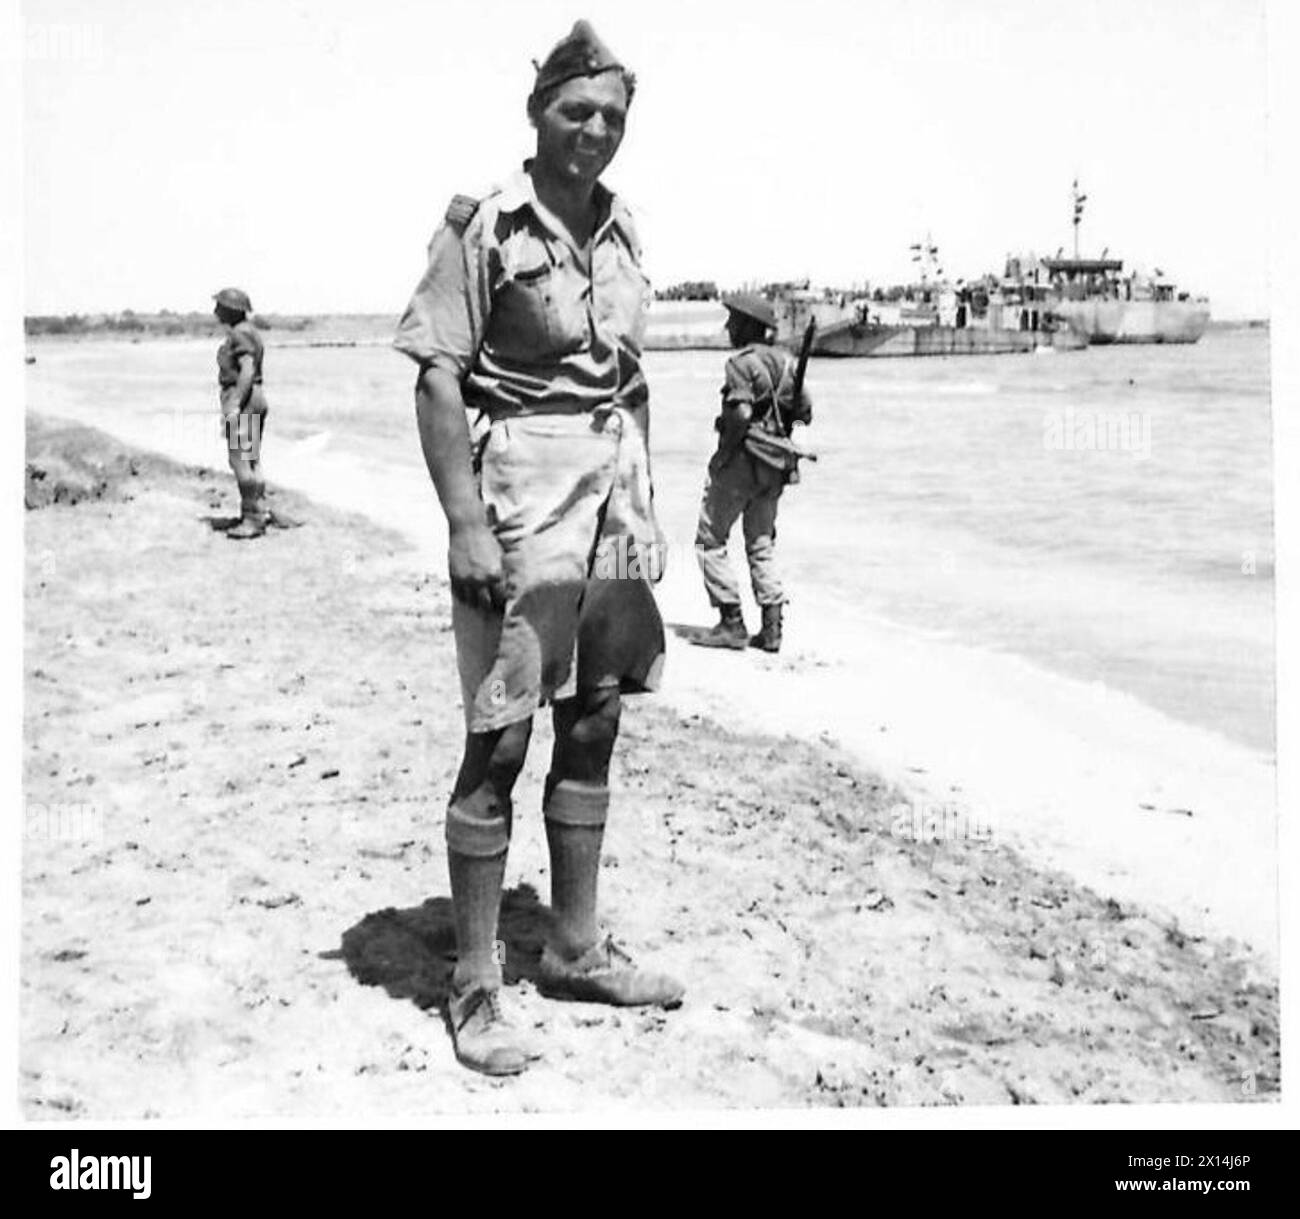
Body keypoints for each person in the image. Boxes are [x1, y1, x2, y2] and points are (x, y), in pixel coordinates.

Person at [393, 20, 683, 1077]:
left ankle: (572, 947)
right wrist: (463, 523)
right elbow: (435, 374)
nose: (595, 131)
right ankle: (475, 983)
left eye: (612, 116)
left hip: (614, 501)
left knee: (596, 718)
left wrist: (648, 504)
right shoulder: (482, 227)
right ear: (536, 113)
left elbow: (629, 381)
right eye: (576, 111)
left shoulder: (623, 230)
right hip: (520, 497)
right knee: (502, 734)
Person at [692, 294, 813, 652]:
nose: (728, 327)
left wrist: (724, 454)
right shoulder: (787, 365)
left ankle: (731, 622)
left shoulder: (740, 363)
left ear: (748, 326)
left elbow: (741, 414)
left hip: (743, 461)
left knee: (709, 539)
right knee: (761, 543)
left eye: (733, 321)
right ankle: (772, 627)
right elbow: (805, 412)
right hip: (775, 465)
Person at [213, 288, 271, 540]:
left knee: (239, 460)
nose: (215, 310)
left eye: (220, 306)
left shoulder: (240, 334)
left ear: (231, 310)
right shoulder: (249, 331)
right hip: (254, 396)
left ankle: (252, 518)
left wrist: (235, 403)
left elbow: (247, 369)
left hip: (244, 397)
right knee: (251, 458)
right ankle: (260, 510)